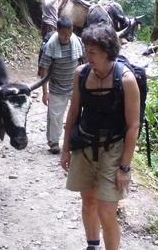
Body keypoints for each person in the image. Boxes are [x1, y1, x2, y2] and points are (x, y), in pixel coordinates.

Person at [60, 23, 140, 250]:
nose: (88, 56)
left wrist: (124, 167)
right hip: (84, 146)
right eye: (87, 51)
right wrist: (66, 149)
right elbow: (73, 113)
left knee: (107, 210)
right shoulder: (81, 74)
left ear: (107, 52)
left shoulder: (125, 80)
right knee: (88, 201)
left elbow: (133, 126)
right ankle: (92, 246)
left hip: (112, 149)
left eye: (92, 52)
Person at [39, 17, 84, 154]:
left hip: (74, 86)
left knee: (76, 114)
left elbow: (83, 63)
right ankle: (53, 142)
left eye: (69, 33)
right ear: (57, 30)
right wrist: (45, 92)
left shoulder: (77, 42)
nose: (66, 37)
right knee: (55, 116)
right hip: (56, 87)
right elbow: (44, 69)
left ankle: (74, 140)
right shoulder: (50, 46)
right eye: (63, 34)